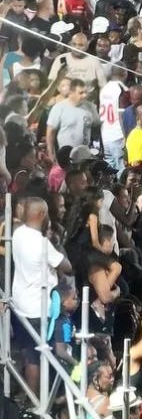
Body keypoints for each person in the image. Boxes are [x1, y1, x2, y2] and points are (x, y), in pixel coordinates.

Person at [11, 197, 72, 396]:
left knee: (30, 356)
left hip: (21, 306)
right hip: (40, 310)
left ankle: (32, 401)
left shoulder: (18, 233)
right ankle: (45, 401)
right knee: (46, 356)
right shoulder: (42, 244)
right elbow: (67, 267)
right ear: (42, 215)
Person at [46, 78, 99, 161]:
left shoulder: (90, 107)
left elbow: (97, 127)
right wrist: (51, 153)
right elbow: (50, 132)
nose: (84, 95)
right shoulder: (59, 108)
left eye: (86, 92)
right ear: (71, 93)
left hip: (85, 155)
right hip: (66, 155)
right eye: (81, 93)